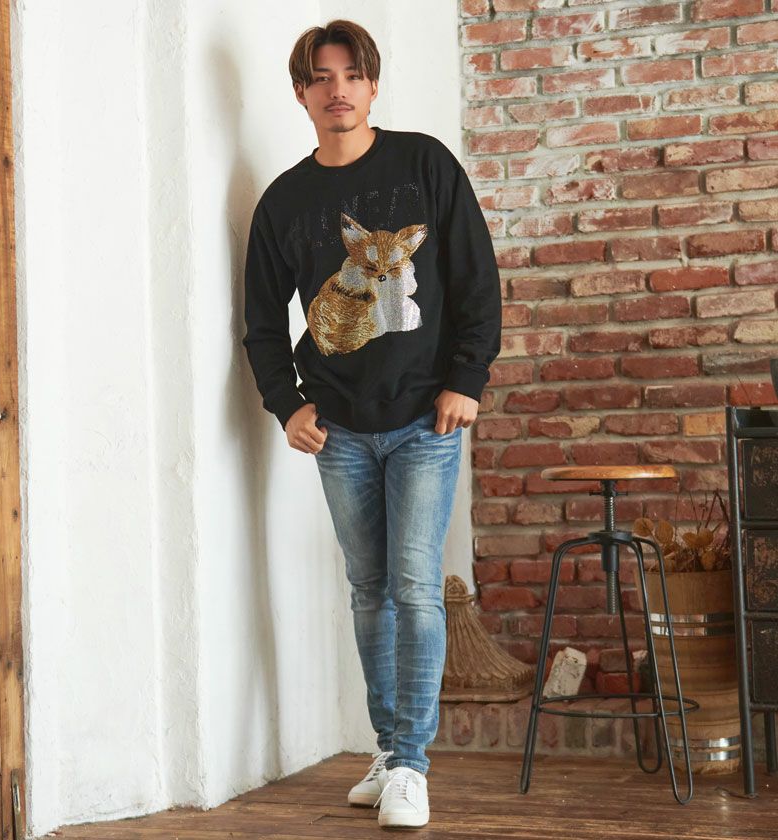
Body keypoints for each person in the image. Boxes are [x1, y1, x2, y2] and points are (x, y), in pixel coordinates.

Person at [241, 18, 502, 830]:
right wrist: (287, 403)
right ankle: (390, 751)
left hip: (427, 418)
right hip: (340, 428)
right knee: (369, 590)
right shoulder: (284, 202)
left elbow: (477, 279)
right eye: (321, 77)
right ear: (301, 93)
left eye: (352, 74)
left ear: (373, 84)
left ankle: (412, 765)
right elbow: (259, 323)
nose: (338, 90)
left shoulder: (425, 164)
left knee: (416, 585)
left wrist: (466, 380)